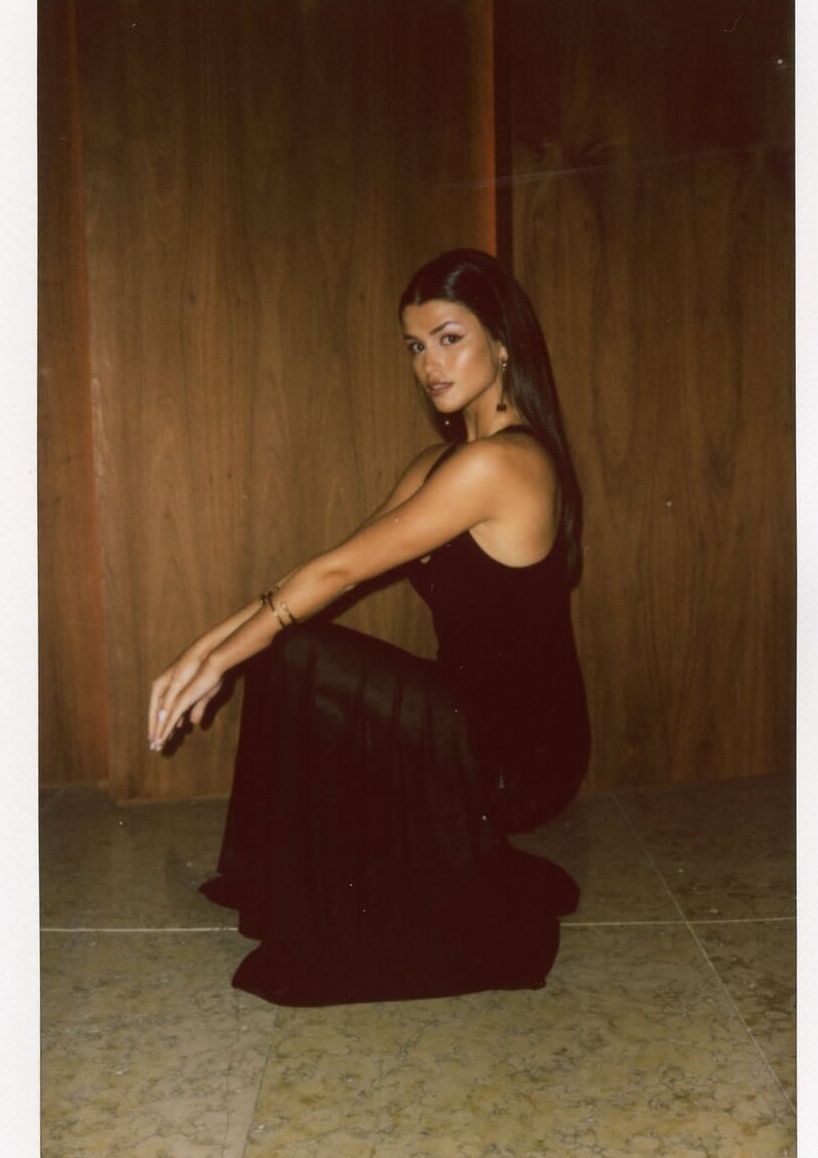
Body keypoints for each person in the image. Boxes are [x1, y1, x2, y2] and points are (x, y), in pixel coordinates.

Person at [147, 248, 590, 1007]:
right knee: (289, 640)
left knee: (297, 649)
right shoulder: (440, 464)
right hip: (465, 715)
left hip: (521, 749)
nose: (429, 365)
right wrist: (208, 647)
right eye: (415, 346)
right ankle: (278, 881)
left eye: (449, 338)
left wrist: (217, 662)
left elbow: (336, 577)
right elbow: (327, 569)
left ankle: (325, 884)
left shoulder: (505, 465)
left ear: (503, 342)